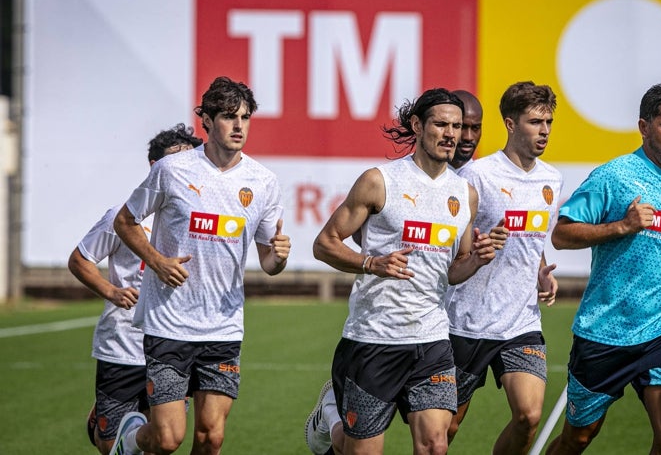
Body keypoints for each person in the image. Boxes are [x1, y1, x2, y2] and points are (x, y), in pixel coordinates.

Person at [305, 87, 509, 455]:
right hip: (374, 338)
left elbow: (454, 269)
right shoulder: (379, 181)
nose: (452, 134)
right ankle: (331, 419)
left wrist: (477, 258)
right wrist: (371, 263)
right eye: (442, 124)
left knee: (435, 444)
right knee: (359, 450)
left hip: (431, 338)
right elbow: (325, 243)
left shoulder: (465, 194)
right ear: (417, 125)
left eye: (458, 126)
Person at [110, 76, 291, 455]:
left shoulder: (264, 181)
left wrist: (279, 255)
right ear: (206, 121)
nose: (239, 125)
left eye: (245, 116)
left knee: (212, 438)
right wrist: (157, 261)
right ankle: (129, 441)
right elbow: (125, 222)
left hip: (224, 326)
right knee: (168, 439)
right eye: (228, 116)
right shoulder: (173, 170)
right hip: (170, 322)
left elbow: (268, 263)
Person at [545, 83, 661, 455]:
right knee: (579, 438)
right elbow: (562, 234)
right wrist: (621, 226)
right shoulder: (614, 177)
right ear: (644, 126)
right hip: (605, 331)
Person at [445, 81, 562, 454]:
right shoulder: (477, 177)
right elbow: (451, 248)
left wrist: (542, 270)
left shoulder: (552, 179)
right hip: (466, 321)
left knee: (529, 415)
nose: (543, 131)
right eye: (534, 122)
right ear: (510, 124)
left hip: (521, 322)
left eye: (548, 122)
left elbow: (533, 238)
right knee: (446, 428)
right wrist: (475, 251)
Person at [69, 124, 202, 455]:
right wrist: (111, 291)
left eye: (189, 162)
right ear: (154, 167)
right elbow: (79, 260)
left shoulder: (197, 219)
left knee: (163, 440)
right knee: (109, 444)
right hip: (123, 343)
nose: (180, 170)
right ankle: (103, 420)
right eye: (173, 161)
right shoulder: (122, 217)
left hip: (174, 342)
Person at [448, 89, 483, 170]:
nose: (468, 137)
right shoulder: (416, 171)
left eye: (475, 128)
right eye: (461, 127)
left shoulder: (486, 178)